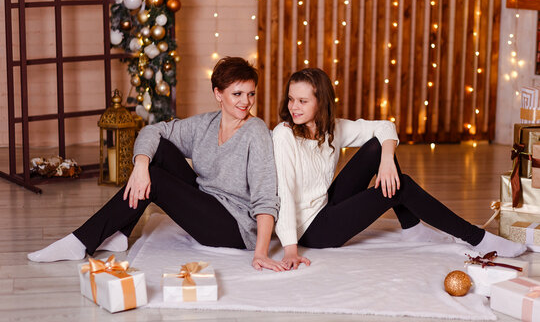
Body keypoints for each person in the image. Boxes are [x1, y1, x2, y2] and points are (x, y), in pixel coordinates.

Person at [28, 57, 286, 272]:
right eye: (237, 94)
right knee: (157, 151)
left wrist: (260, 252)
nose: (246, 101)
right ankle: (119, 233)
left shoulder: (256, 131)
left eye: (250, 94)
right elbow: (154, 131)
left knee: (157, 180)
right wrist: (140, 165)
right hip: (206, 201)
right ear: (218, 94)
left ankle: (81, 242)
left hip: (235, 226)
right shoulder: (206, 123)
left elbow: (265, 195)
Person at [272, 68, 526, 270]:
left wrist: (385, 159)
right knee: (398, 186)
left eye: (303, 101)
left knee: (377, 147)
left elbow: (385, 127)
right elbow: (282, 193)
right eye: (292, 99)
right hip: (312, 231)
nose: (294, 106)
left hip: (325, 206)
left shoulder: (332, 128)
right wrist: (290, 249)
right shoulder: (284, 134)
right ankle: (476, 237)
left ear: (321, 102)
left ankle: (413, 228)